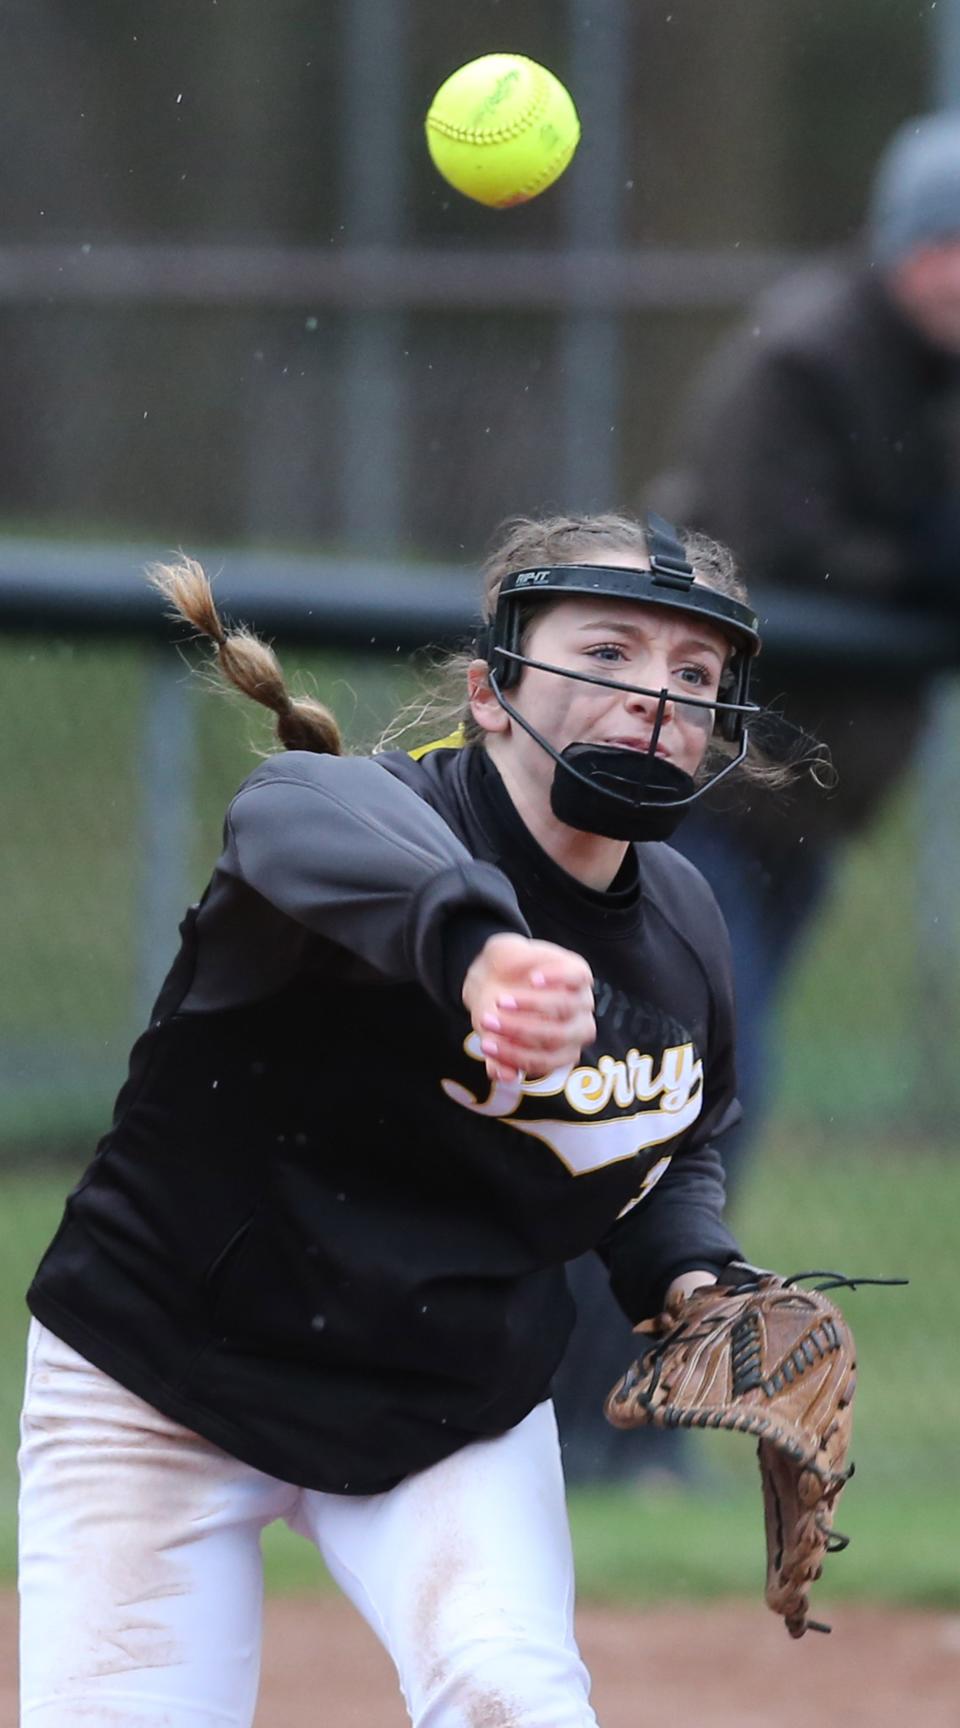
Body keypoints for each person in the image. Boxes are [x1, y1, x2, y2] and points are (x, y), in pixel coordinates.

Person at [20, 508, 780, 1728]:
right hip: (168, 1376)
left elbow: (665, 1148)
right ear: (490, 690)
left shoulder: (684, 925)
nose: (655, 694)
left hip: (445, 1401)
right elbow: (294, 817)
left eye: (694, 672)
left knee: (514, 1699)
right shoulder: (352, 816)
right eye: (609, 651)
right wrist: (478, 953)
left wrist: (695, 1276)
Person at [554, 112, 960, 1487]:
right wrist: (912, 559)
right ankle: (588, 1421)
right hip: (697, 796)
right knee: (672, 1095)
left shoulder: (932, 373)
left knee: (691, 1099)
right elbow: (760, 558)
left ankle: (620, 1418)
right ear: (910, 250)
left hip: (796, 813)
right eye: (955, 250)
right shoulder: (806, 355)